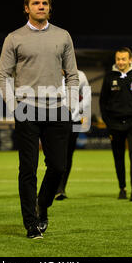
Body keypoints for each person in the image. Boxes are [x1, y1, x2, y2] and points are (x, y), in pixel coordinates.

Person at [0, 0, 79, 239]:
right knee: (28, 169)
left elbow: (73, 75)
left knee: (58, 166)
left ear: (49, 7)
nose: (40, 6)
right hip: (27, 110)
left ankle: (42, 205)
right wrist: (14, 107)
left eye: (44, 3)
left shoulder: (63, 36)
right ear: (26, 8)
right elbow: (2, 76)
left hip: (57, 110)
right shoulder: (14, 38)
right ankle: (31, 224)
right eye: (35, 3)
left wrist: (70, 108)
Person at [99, 47, 132, 201]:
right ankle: (122, 188)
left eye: (123, 59)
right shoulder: (109, 77)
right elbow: (103, 101)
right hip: (115, 125)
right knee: (118, 157)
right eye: (118, 59)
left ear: (130, 59)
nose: (120, 62)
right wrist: (108, 121)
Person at [55, 70, 91, 200]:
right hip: (54, 120)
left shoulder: (80, 75)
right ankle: (53, 186)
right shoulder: (50, 71)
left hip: (74, 121)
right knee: (54, 155)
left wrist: (77, 108)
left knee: (68, 155)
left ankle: (61, 188)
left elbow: (87, 96)